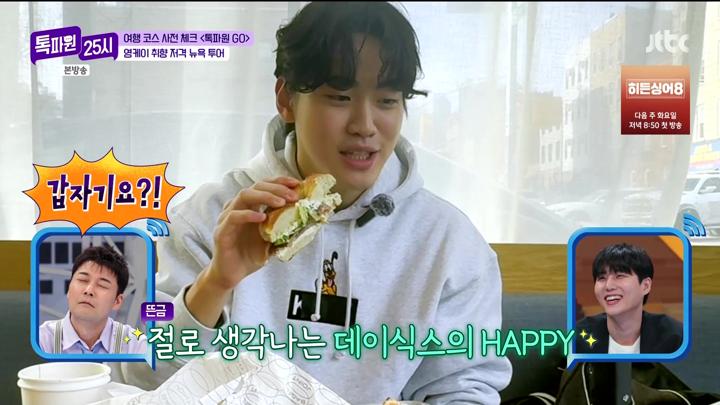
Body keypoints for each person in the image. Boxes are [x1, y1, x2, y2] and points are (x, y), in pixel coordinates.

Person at [124, 2, 511, 403]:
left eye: (387, 101)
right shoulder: (209, 218)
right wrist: (216, 282)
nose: (364, 126)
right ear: (286, 99)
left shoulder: (448, 242)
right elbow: (142, 380)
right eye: (340, 97)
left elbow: (464, 390)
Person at [575, 243, 682, 354]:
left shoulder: (675, 337)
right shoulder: (577, 338)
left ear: (645, 286)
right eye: (601, 278)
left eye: (620, 276)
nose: (608, 286)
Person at [38, 245, 147, 355]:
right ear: (69, 289)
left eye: (102, 285)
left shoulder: (135, 345)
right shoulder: (41, 339)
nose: (89, 290)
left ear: (117, 301)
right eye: (83, 280)